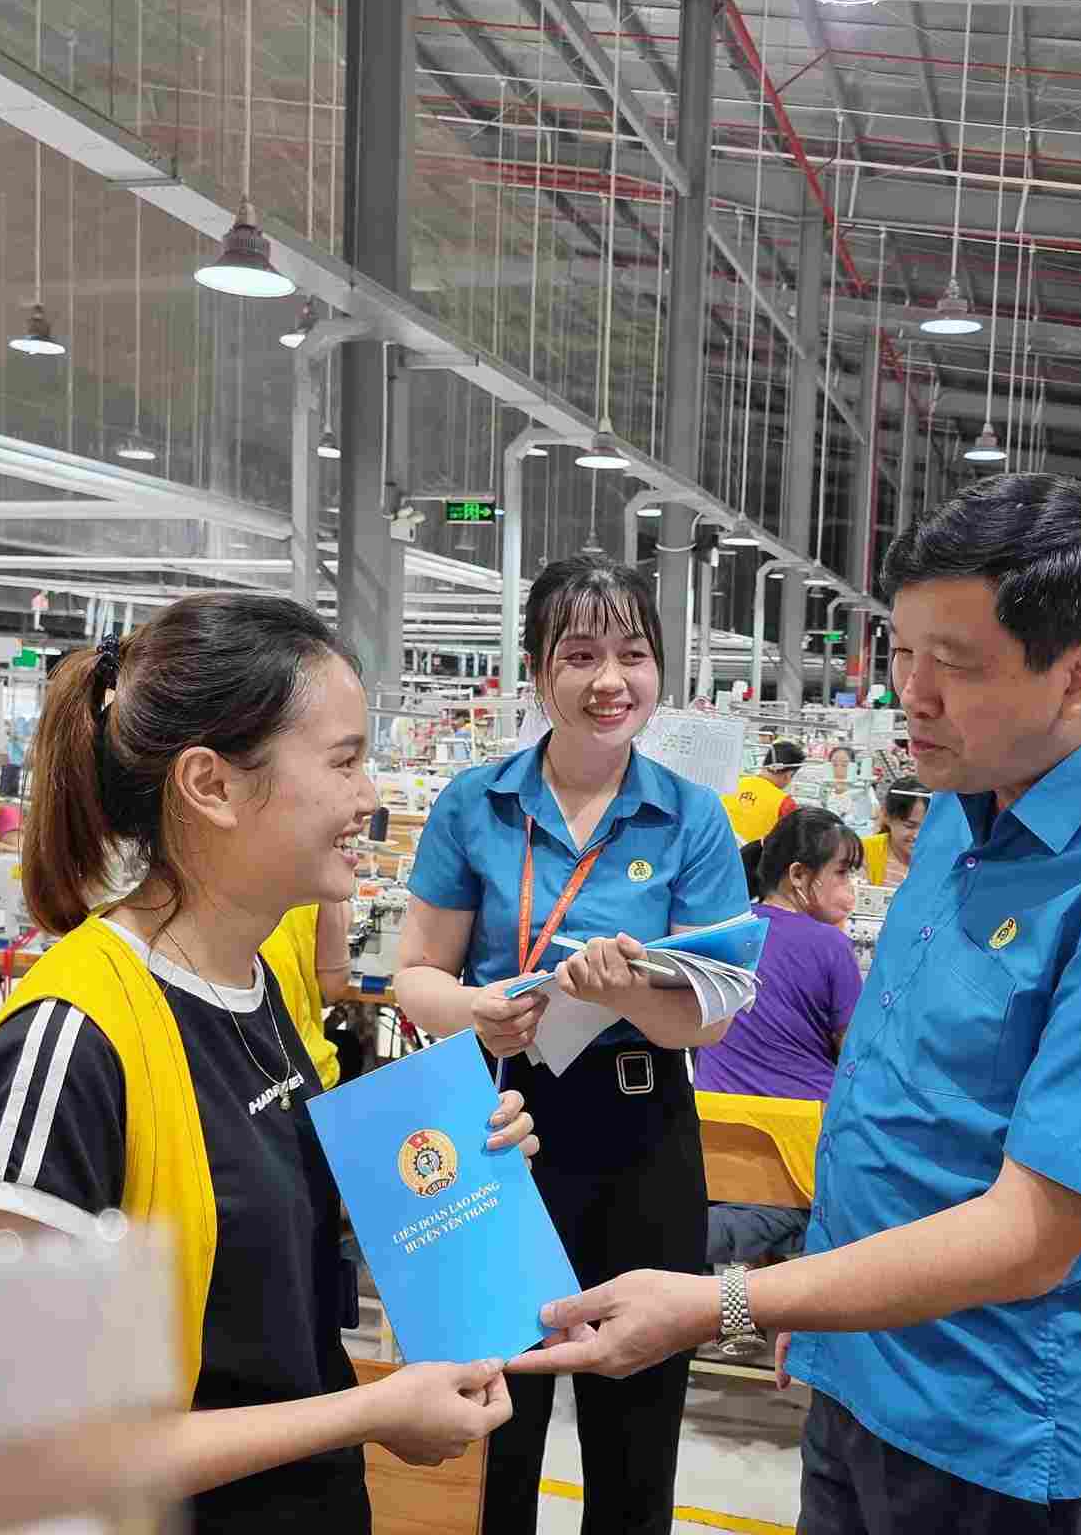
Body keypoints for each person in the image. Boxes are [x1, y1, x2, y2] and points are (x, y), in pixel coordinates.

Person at [508, 474, 1081, 1535]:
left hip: (997, 1429)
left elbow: (1032, 1233)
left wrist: (729, 1300)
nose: (911, 693)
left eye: (952, 665)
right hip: (860, 1366)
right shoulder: (964, 798)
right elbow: (901, 1088)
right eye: (900, 654)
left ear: (1080, 675)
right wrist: (816, 1308)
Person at [0, 594, 531, 1534]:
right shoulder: (65, 1045)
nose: (372, 796)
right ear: (210, 785)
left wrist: (453, 1170)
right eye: (345, 761)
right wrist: (369, 1411)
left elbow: (264, 1264)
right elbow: (29, 1456)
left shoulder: (254, 989)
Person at [393, 553, 751, 1535]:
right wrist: (475, 1010)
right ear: (536, 670)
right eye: (580, 653)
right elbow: (414, 974)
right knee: (486, 1421)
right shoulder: (475, 804)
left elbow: (710, 1018)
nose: (609, 680)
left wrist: (633, 992)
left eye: (632, 654)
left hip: (641, 1138)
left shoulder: (693, 820)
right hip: (495, 1128)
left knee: (635, 1434)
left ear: (659, 670)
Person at [698, 807, 865, 1267]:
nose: (851, 891)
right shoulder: (830, 945)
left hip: (713, 1133)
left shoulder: (722, 931)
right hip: (799, 1147)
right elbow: (855, 1057)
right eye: (843, 874)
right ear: (798, 875)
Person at [261, 901, 359, 1090]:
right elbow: (333, 990)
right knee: (350, 1047)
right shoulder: (321, 888)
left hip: (236, 1068)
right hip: (303, 1070)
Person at [723, 739, 806, 844]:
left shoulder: (732, 783)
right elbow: (791, 843)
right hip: (754, 858)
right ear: (788, 775)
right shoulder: (785, 803)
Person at [859, 777, 927, 888]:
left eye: (927, 828)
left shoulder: (942, 859)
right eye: (910, 826)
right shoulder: (864, 853)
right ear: (886, 816)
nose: (918, 835)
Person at [820, 746, 876, 834]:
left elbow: (874, 812)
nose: (838, 768)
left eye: (844, 765)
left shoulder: (861, 788)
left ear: (853, 766)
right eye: (834, 764)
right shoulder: (826, 788)